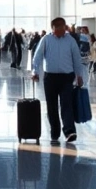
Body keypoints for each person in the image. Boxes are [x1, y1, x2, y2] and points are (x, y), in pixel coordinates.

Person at [31, 17, 86, 145]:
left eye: (63, 26)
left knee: (66, 104)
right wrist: (35, 72)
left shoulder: (70, 41)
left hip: (67, 77)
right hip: (50, 78)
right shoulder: (46, 40)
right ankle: (55, 132)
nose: (62, 29)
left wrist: (79, 75)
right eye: (59, 27)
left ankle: (69, 131)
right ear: (53, 28)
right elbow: (37, 57)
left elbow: (77, 59)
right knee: (52, 107)